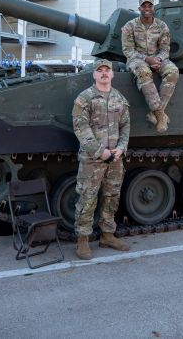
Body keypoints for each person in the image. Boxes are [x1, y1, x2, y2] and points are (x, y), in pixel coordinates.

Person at [72, 59, 131, 260]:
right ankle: (82, 240)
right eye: (100, 70)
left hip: (115, 159)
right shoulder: (85, 98)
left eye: (107, 70)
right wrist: (100, 151)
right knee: (87, 198)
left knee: (111, 197)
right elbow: (80, 127)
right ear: (94, 75)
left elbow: (125, 126)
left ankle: (107, 235)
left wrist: (121, 148)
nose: (104, 73)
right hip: (92, 159)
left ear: (112, 74)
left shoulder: (119, 99)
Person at [121, 0, 179, 133]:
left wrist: (158, 59)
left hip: (157, 58)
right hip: (136, 59)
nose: (147, 8)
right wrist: (147, 59)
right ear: (139, 8)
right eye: (144, 6)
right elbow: (128, 50)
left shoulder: (162, 26)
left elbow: (165, 49)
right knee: (143, 72)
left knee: (172, 72)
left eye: (150, 6)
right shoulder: (130, 26)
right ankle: (160, 115)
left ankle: (154, 113)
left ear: (153, 8)